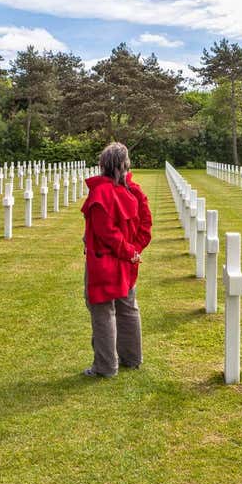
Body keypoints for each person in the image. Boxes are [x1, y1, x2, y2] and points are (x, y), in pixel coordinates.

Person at [81, 142, 152, 377]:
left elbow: (106, 233)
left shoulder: (101, 193)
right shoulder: (134, 190)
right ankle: (132, 358)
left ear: (103, 164)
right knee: (127, 306)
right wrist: (134, 250)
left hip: (105, 262)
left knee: (103, 311)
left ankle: (106, 366)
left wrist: (129, 251)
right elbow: (145, 225)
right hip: (126, 260)